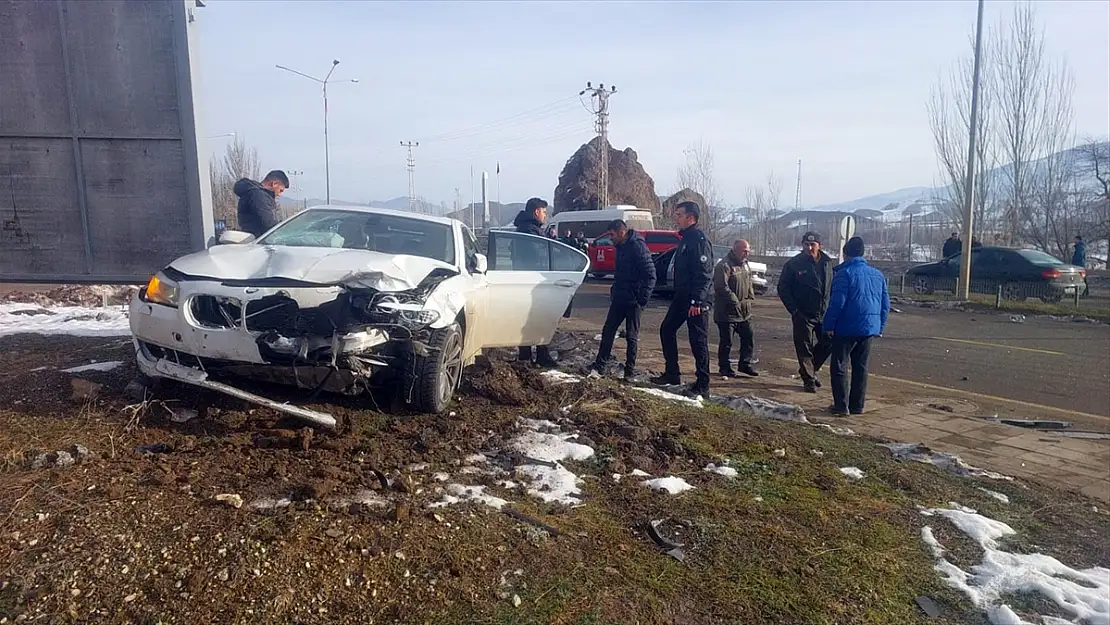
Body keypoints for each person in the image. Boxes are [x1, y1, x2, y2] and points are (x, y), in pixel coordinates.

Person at [650, 201, 714, 397]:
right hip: (681, 297)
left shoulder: (698, 239)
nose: (675, 218)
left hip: (695, 300)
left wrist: (698, 301)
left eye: (679, 214)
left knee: (698, 341)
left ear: (690, 217)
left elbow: (704, 273)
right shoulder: (685, 239)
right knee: (667, 329)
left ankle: (703, 384)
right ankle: (672, 373)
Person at [822, 236, 890, 416]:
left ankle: (841, 406)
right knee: (861, 367)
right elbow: (885, 304)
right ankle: (857, 406)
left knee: (839, 367)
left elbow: (837, 304)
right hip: (868, 329)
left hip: (845, 328)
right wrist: (880, 327)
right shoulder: (877, 275)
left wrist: (828, 326)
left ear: (845, 254)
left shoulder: (844, 274)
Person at [588, 219, 656, 380]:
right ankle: (600, 366)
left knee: (631, 336)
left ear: (621, 232)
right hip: (620, 297)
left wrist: (642, 300)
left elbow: (651, 275)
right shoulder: (620, 247)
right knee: (608, 331)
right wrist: (615, 290)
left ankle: (629, 372)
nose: (610, 238)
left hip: (634, 300)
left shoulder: (638, 248)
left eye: (612, 235)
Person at [777, 231, 834, 393]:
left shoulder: (827, 262)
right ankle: (808, 379)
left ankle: (809, 369)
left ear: (819, 246)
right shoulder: (794, 264)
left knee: (828, 342)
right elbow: (783, 288)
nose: (809, 248)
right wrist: (794, 310)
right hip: (803, 313)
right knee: (804, 348)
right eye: (806, 245)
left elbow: (832, 286)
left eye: (812, 245)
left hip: (823, 313)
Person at [512, 198, 558, 368]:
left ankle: (537, 354)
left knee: (536, 319)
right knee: (535, 319)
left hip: (529, 281)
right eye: (544, 212)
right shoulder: (529, 231)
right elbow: (539, 256)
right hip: (533, 282)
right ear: (537, 212)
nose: (545, 215)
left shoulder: (528, 228)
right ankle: (530, 355)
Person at [713, 239, 758, 378]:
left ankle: (745, 364)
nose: (747, 254)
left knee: (748, 337)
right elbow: (721, 286)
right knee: (727, 342)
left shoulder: (745, 265)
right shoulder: (724, 265)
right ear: (735, 249)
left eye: (748, 251)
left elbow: (748, 282)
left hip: (744, 312)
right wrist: (734, 301)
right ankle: (724, 367)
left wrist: (750, 299)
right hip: (727, 312)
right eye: (744, 251)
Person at [234, 170, 289, 238]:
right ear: (274, 184)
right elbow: (269, 224)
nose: (279, 194)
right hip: (258, 241)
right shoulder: (259, 196)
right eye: (280, 190)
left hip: (254, 240)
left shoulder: (254, 193)